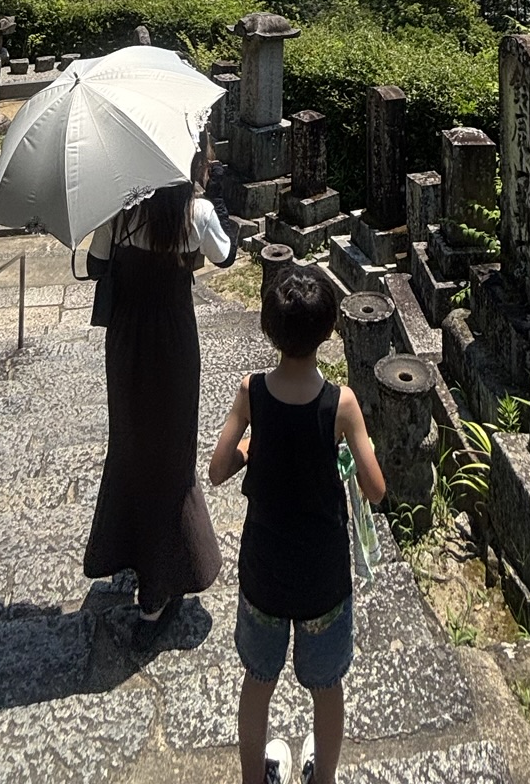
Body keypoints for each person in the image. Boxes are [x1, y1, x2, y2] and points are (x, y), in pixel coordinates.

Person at [208, 267, 387, 784]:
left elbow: (217, 470)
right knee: (326, 687)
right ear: (329, 331)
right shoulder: (341, 403)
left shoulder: (252, 392)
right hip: (322, 576)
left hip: (264, 569)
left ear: (269, 329)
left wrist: (249, 447)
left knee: (258, 681)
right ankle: (322, 777)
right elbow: (376, 489)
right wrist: (352, 449)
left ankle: (253, 778)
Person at [81, 137, 237, 623]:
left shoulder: (121, 211)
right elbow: (225, 255)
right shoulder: (196, 214)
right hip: (174, 339)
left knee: (130, 441)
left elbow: (95, 266)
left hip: (127, 338)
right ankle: (163, 576)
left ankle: (128, 550)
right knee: (173, 449)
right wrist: (217, 201)